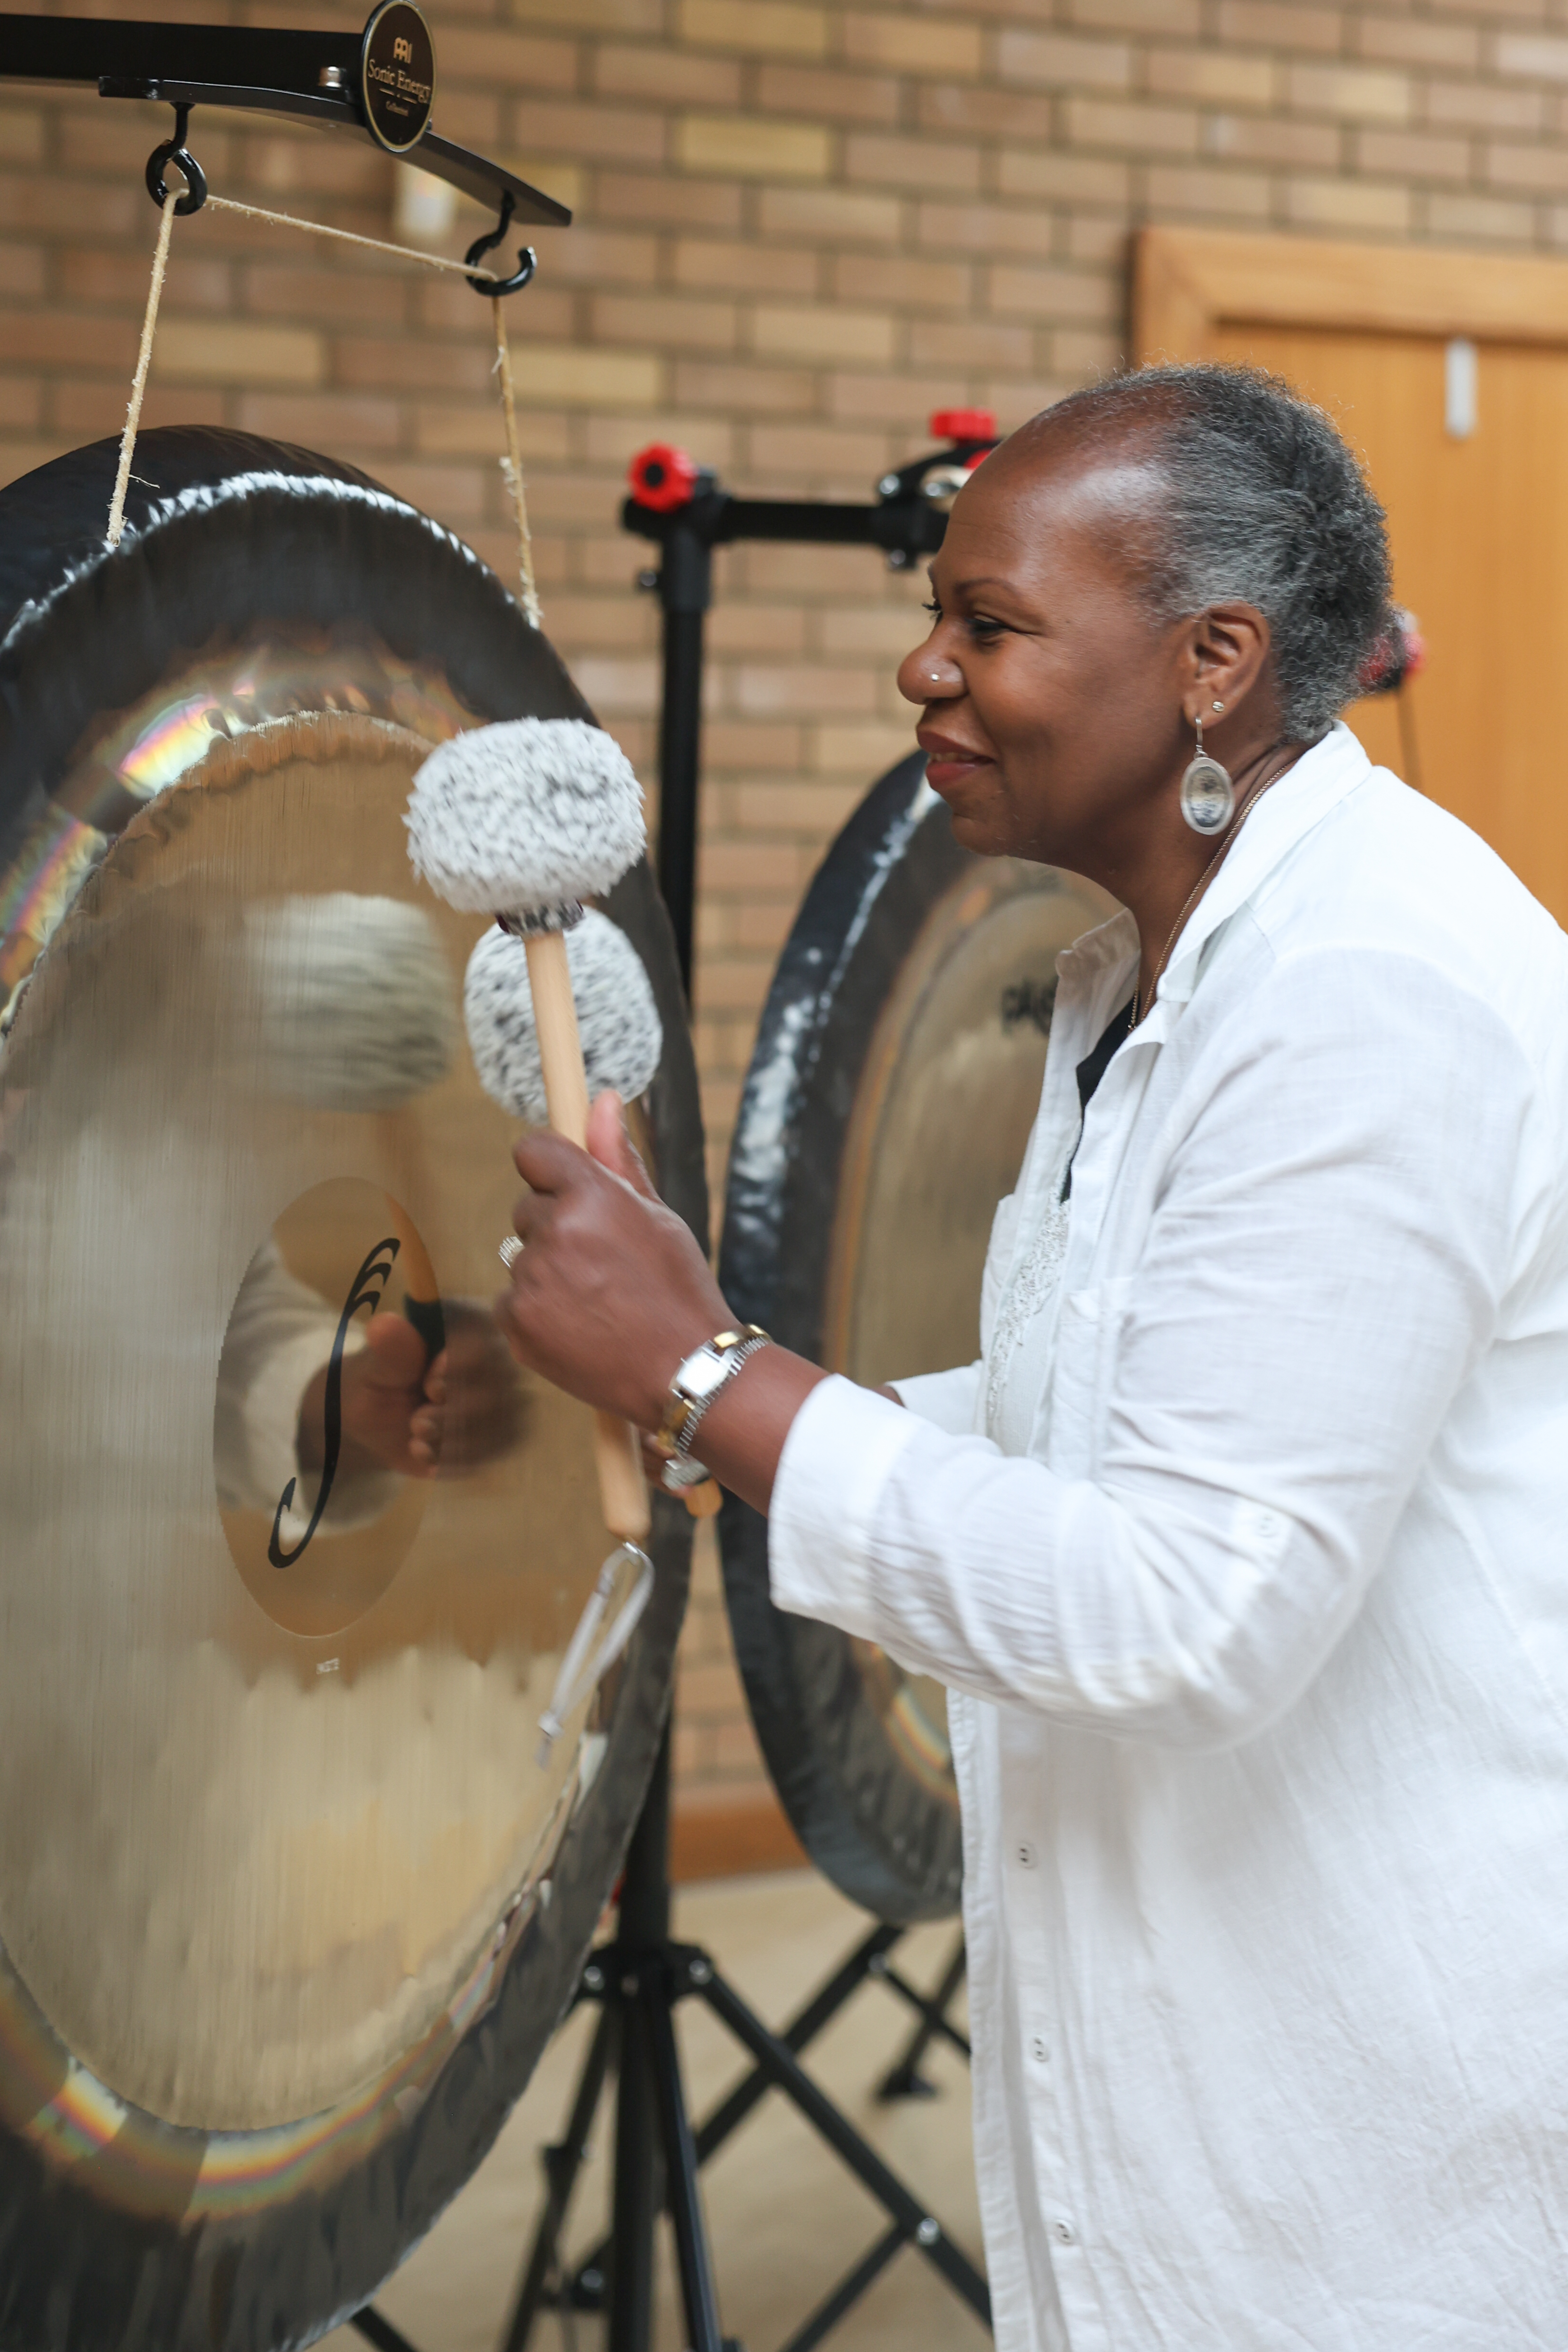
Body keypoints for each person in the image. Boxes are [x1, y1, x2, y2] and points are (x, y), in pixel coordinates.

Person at [496, 364, 1568, 2345]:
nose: (926, 666)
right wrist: (653, 1372)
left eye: (990, 623)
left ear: (1215, 662)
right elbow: (1109, 1421)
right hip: (1196, 2041)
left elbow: (1191, 1599)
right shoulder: (1139, 970)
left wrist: (709, 1370)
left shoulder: (1369, 989)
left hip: (1381, 2117)